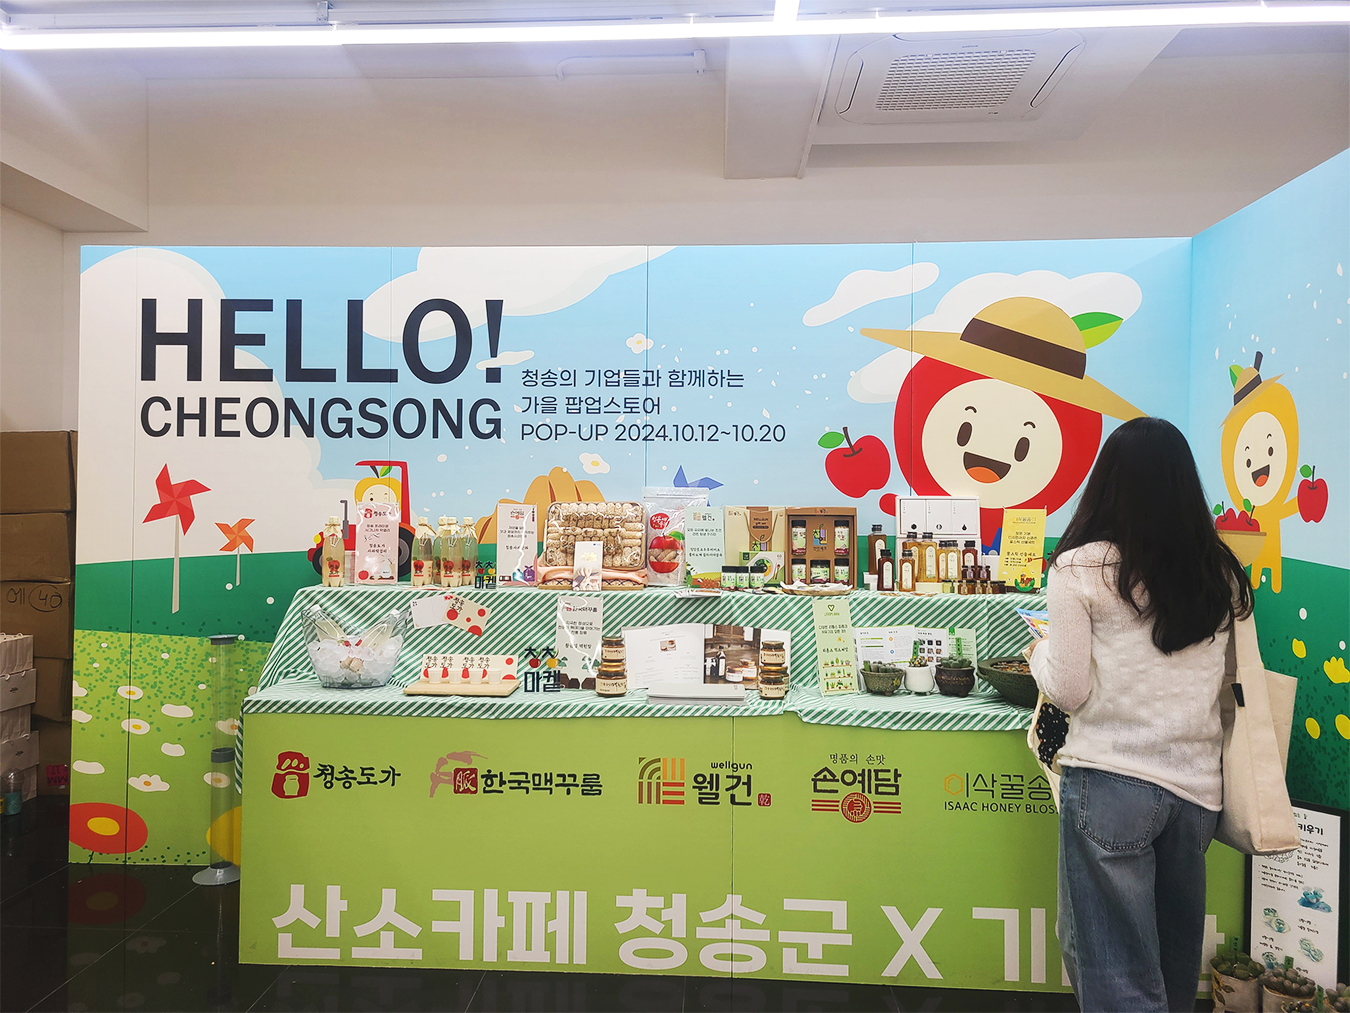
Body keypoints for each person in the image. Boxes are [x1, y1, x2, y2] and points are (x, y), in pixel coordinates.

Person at [1028, 417, 1253, 1013]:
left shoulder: (1079, 568)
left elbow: (1068, 689)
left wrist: (1038, 653)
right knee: (1171, 968)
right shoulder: (1219, 571)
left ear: (1107, 483)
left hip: (1110, 781)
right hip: (1196, 792)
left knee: (1114, 975)